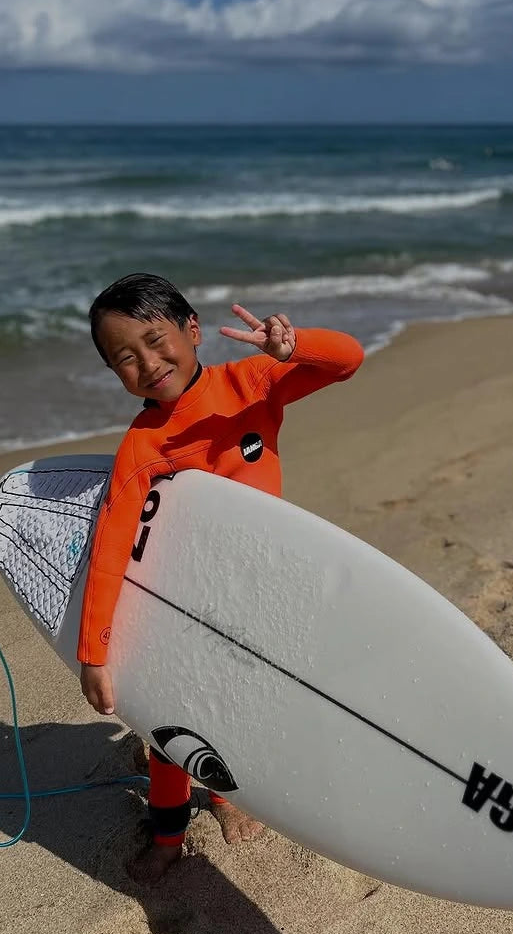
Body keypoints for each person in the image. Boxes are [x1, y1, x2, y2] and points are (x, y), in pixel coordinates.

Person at [78, 273, 364, 883]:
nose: (149, 364)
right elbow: (111, 547)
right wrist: (94, 652)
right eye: (125, 359)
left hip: (262, 589)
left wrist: (295, 347)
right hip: (182, 601)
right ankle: (168, 834)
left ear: (193, 331)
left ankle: (229, 797)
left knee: (239, 707)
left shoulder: (250, 383)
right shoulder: (141, 447)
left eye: (156, 341)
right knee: (167, 724)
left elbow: (348, 362)